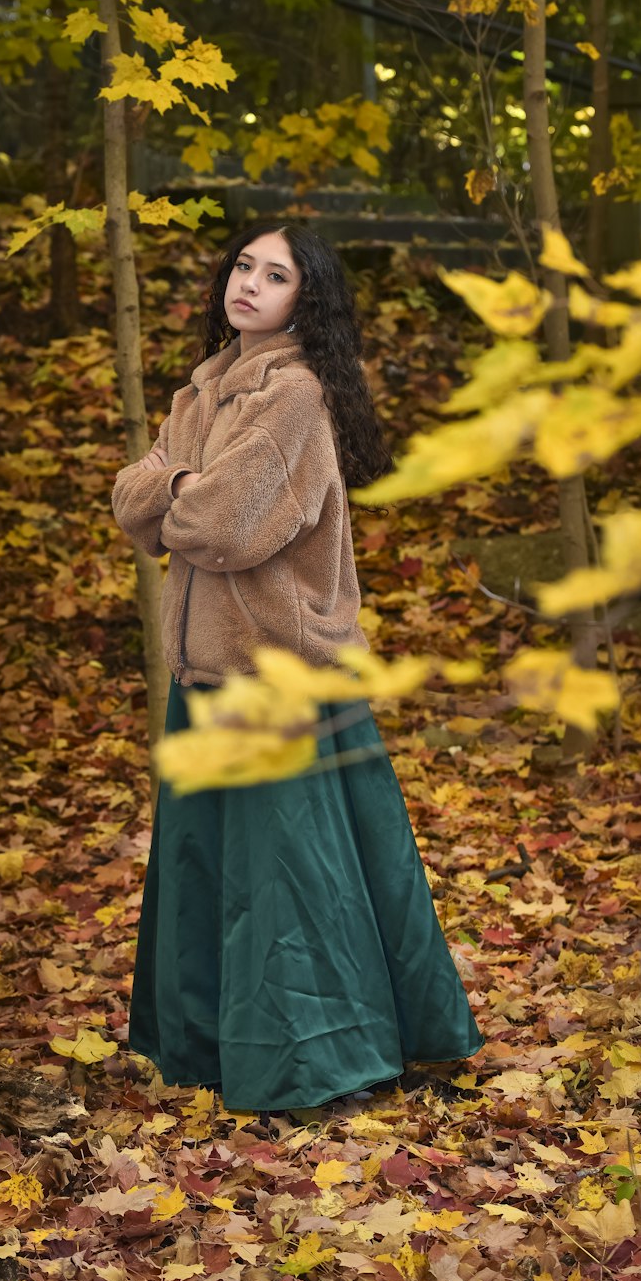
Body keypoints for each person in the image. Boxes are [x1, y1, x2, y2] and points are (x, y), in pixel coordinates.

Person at [111, 219, 483, 1115]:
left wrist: (169, 483)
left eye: (274, 275)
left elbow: (221, 528)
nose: (248, 283)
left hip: (281, 674)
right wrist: (171, 482)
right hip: (204, 675)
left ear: (303, 301)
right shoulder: (199, 393)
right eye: (243, 265)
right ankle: (212, 1049)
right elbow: (133, 505)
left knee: (292, 887)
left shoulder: (295, 400)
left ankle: (320, 1064)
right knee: (211, 872)